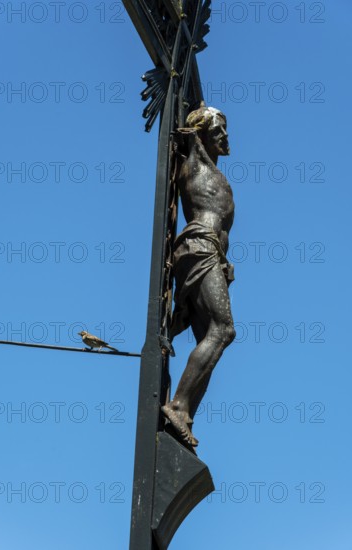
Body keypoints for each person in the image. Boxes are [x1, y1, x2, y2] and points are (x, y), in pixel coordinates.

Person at [162, 104, 236, 447]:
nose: (225, 135)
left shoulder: (212, 168)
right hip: (199, 249)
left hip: (209, 254)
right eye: (218, 129)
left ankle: (184, 412)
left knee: (215, 336)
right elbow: (188, 134)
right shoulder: (196, 161)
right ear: (203, 133)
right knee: (224, 330)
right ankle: (177, 405)